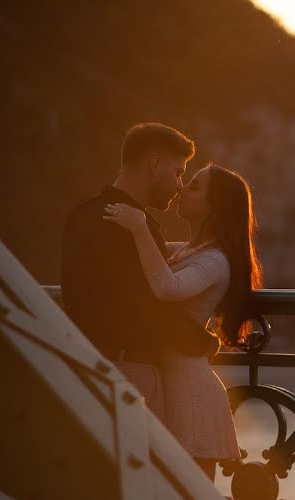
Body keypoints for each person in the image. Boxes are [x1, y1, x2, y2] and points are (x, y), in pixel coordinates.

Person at [103, 164, 262, 480]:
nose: (180, 190)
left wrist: (139, 227)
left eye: (193, 187)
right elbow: (149, 263)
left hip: (190, 394)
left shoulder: (215, 260)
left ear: (213, 206)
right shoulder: (188, 251)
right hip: (167, 383)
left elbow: (167, 288)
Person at [61, 123, 218, 427]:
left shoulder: (81, 215)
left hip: (81, 369)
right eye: (178, 172)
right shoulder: (136, 230)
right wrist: (204, 341)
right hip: (131, 375)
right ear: (154, 165)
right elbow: (150, 308)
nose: (179, 186)